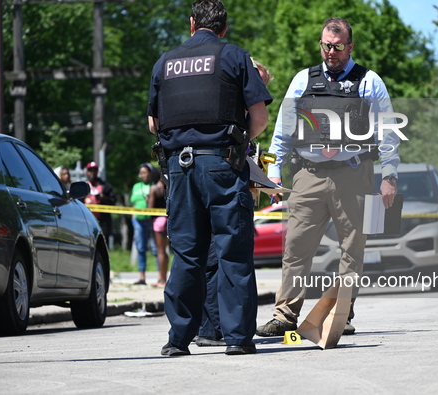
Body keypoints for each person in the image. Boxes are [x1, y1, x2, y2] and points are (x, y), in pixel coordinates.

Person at [256, 17, 401, 338]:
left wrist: (389, 174)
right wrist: (274, 172)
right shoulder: (303, 80)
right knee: (295, 247)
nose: (330, 52)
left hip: (354, 173)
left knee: (353, 248)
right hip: (308, 174)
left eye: (337, 46)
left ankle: (342, 314)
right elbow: (283, 131)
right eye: (325, 45)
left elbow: (388, 132)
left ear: (350, 47)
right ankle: (285, 316)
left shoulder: (369, 81)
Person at [147, 0, 272, 356]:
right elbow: (259, 119)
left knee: (187, 253)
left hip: (178, 169)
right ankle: (236, 339)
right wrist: (238, 140)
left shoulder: (165, 62)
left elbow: (153, 124)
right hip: (222, 165)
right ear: (224, 28)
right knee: (232, 251)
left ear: (191, 24)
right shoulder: (234, 56)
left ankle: (178, 340)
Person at [194, 59, 274, 348]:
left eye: (263, 86)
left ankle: (217, 327)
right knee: (216, 259)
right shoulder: (224, 119)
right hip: (217, 194)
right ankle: (210, 328)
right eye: (256, 83)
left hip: (238, 196)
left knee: (221, 258)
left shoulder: (243, 122)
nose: (258, 91)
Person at [130, 163, 157, 285]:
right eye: (141, 173)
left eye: (145, 172)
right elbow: (133, 203)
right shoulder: (136, 186)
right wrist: (133, 216)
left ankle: (161, 277)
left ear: (150, 173)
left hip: (151, 220)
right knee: (141, 248)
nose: (143, 175)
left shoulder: (155, 186)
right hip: (138, 220)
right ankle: (142, 277)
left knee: (156, 249)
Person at [84, 161, 117, 243]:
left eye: (94, 170)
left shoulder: (105, 186)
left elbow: (113, 200)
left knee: (103, 242)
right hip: (86, 219)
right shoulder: (83, 185)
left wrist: (104, 198)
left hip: (103, 221)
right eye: (90, 170)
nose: (92, 172)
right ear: (87, 172)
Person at [148, 167, 169, 288]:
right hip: (167, 219)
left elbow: (150, 209)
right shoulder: (167, 187)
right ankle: (164, 278)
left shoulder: (154, 188)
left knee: (160, 251)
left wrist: (148, 200)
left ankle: (162, 280)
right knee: (165, 252)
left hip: (158, 221)